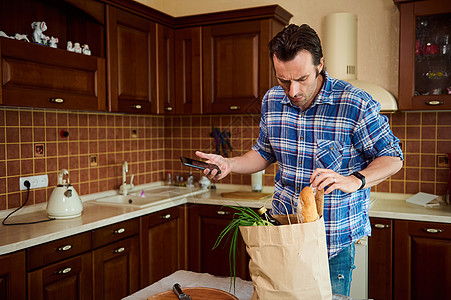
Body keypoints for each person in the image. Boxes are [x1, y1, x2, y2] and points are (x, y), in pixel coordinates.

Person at [196, 24, 403, 296]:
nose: (292, 91)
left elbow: (393, 157)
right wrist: (229, 164)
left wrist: (355, 180)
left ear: (320, 66)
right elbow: (263, 152)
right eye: (283, 80)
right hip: (282, 236)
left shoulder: (354, 102)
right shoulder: (272, 100)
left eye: (302, 78)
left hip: (332, 243)